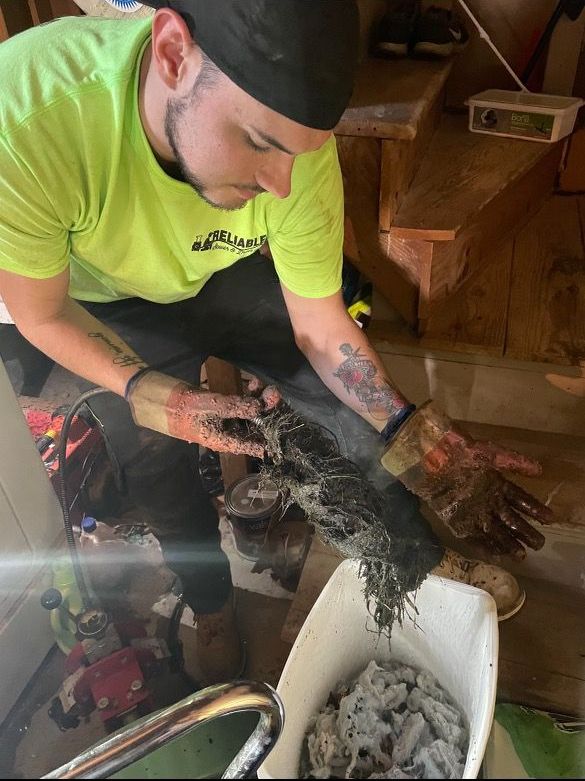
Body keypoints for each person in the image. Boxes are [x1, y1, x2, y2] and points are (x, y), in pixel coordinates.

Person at [0, 0, 551, 685]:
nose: (280, 185)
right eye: (260, 142)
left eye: (299, 155)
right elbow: (41, 314)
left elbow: (320, 326)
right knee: (156, 466)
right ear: (173, 54)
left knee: (339, 401)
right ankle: (211, 605)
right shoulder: (27, 115)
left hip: (218, 268)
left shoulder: (292, 159)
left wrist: (412, 432)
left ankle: (412, 555)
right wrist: (150, 392)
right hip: (106, 304)